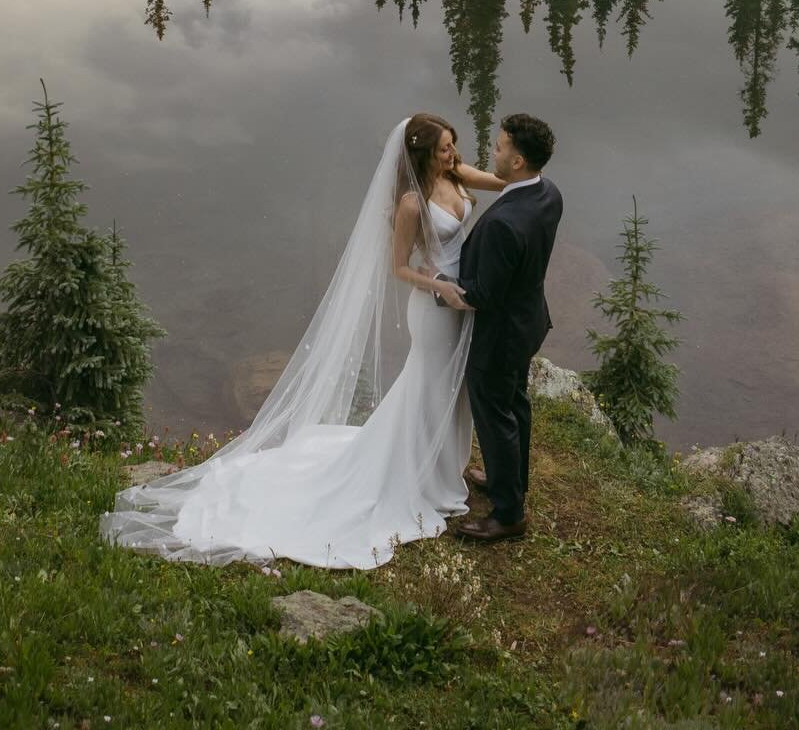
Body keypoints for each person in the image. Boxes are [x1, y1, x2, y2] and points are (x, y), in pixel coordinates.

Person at [98, 113, 504, 568]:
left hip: (462, 305)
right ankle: (417, 475)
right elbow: (400, 269)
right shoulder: (411, 203)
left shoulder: (454, 173)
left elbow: (502, 183)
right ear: (422, 154)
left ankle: (442, 470)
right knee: (427, 387)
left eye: (453, 145)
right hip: (433, 310)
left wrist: (528, 180)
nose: (453, 154)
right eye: (444, 148)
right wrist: (441, 287)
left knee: (453, 389)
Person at [435, 112, 562, 543]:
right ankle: (511, 478)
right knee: (517, 405)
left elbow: (480, 295)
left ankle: (509, 514)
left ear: (518, 161)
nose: (494, 149)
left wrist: (439, 289)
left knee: (495, 416)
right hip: (528, 322)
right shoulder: (548, 193)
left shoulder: (505, 225)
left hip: (500, 337)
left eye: (501, 146)